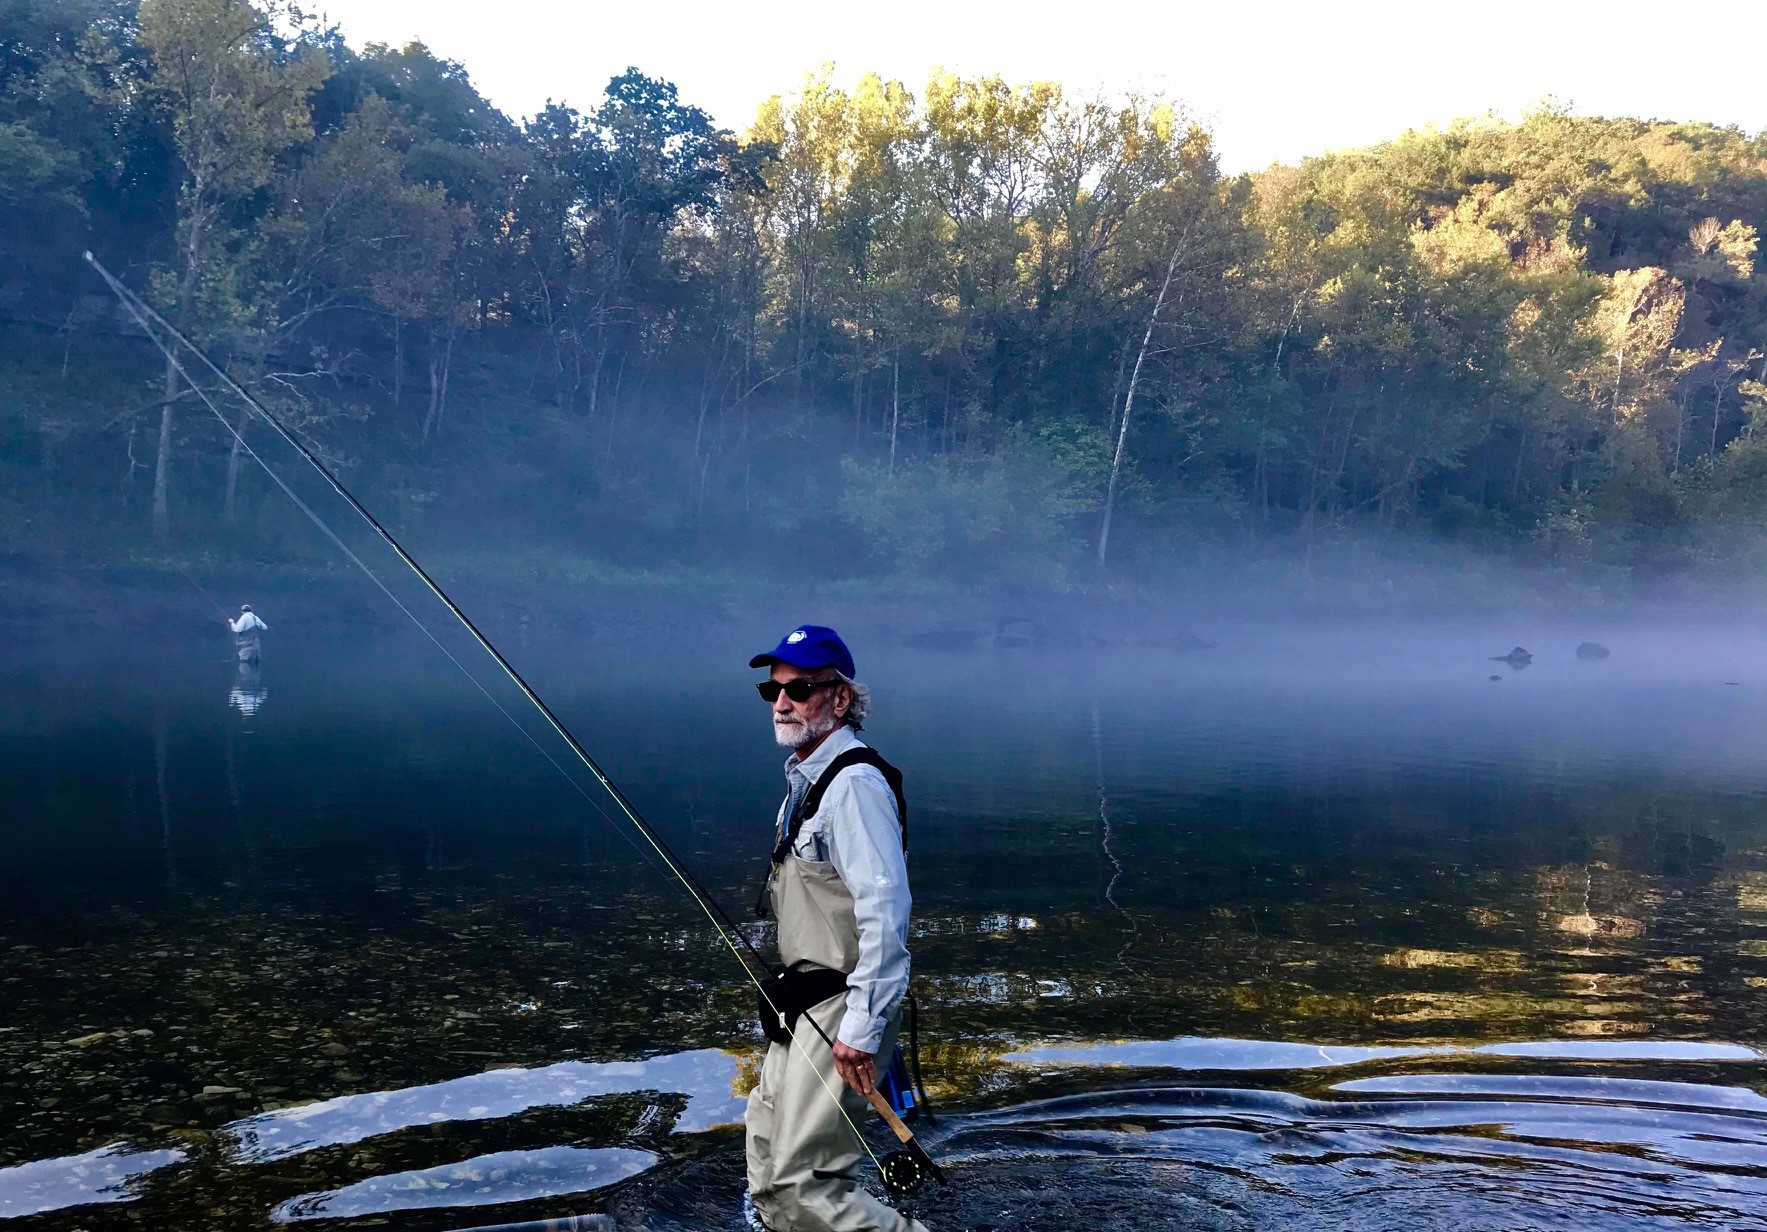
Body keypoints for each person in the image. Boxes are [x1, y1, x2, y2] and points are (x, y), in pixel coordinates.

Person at [744, 625, 927, 1232]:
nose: (781, 702)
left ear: (841, 698)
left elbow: (884, 912)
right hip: (802, 1003)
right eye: (773, 690)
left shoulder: (854, 786)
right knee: (769, 1171)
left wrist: (863, 1027)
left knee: (806, 1185)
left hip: (843, 1008)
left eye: (800, 688)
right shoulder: (804, 782)